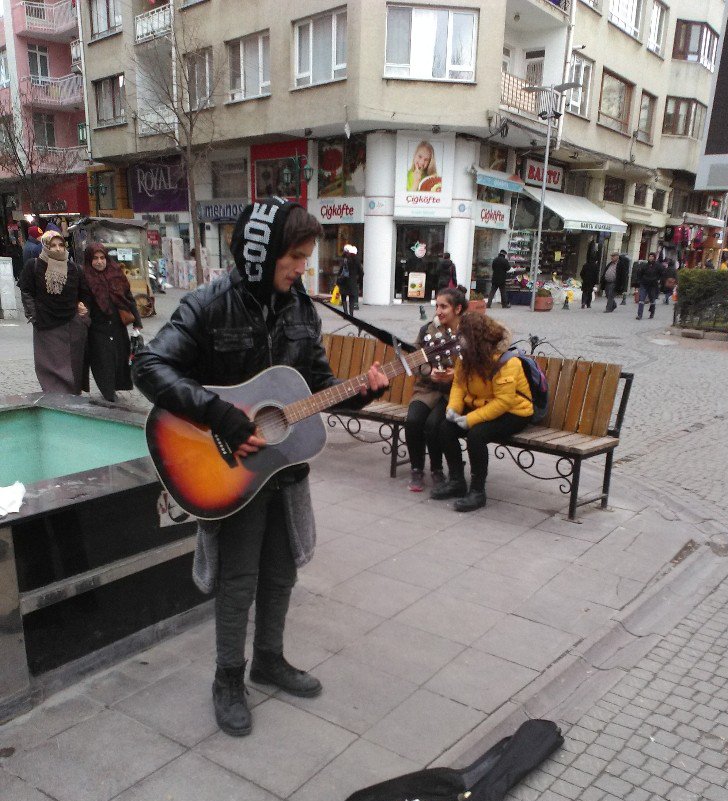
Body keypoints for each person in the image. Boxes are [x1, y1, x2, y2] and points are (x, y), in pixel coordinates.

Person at [133, 197, 388, 738]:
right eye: (294, 257)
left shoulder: (300, 309)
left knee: (281, 571)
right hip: (229, 470)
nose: (302, 269)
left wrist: (361, 394)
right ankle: (228, 678)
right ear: (261, 252)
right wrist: (222, 416)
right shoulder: (207, 305)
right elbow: (149, 366)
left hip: (283, 468)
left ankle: (269, 659)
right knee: (238, 577)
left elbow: (318, 388)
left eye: (305, 257)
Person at [431, 312, 533, 512]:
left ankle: (478, 492)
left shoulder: (506, 361)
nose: (459, 340)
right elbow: (459, 385)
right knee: (446, 427)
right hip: (483, 406)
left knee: (477, 435)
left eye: (463, 336)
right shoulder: (466, 356)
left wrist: (470, 419)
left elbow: (504, 401)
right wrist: (453, 409)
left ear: (477, 338)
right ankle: (457, 481)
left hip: (514, 412)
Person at [406, 285, 467, 492]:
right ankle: (416, 469)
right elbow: (415, 360)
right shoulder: (427, 330)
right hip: (427, 388)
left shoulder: (470, 331)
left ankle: (437, 469)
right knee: (413, 420)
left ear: (457, 309)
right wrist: (428, 371)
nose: (438, 311)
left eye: (444, 307)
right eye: (437, 306)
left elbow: (477, 365)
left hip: (454, 393)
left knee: (433, 425)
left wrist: (455, 375)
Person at [18, 230, 91, 394]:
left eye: (61, 245)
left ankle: (72, 396)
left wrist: (83, 312)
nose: (58, 249)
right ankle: (54, 398)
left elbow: (85, 294)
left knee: (73, 365)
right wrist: (33, 315)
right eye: (53, 245)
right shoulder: (34, 265)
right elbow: (26, 291)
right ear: (45, 246)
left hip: (72, 324)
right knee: (48, 365)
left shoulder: (75, 269)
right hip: (45, 324)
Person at [83, 242, 142, 402]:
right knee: (102, 359)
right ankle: (108, 392)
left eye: (102, 257)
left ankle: (115, 387)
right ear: (89, 260)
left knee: (119, 356)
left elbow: (128, 298)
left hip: (117, 323)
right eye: (95, 258)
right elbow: (82, 301)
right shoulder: (85, 276)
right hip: (97, 326)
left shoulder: (116, 273)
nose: (99, 261)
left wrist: (137, 321)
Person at [636, 252, 664, 320]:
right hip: (644, 284)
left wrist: (658, 280)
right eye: (650, 256)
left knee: (652, 300)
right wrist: (639, 281)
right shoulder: (644, 265)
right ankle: (639, 315)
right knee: (641, 299)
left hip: (653, 285)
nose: (651, 258)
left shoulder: (658, 266)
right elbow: (640, 273)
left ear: (654, 258)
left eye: (652, 256)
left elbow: (662, 274)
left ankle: (652, 313)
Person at [336, 244, 363, 314]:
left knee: (344, 297)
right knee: (352, 298)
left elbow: (341, 271)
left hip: (344, 281)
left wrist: (338, 280)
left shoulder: (345, 260)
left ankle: (345, 313)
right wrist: (359, 282)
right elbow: (361, 273)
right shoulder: (357, 261)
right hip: (352, 282)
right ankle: (351, 314)